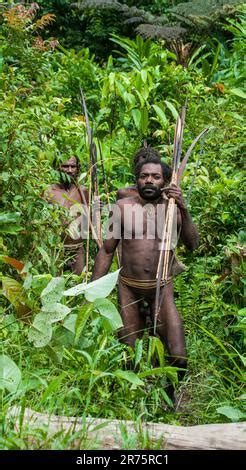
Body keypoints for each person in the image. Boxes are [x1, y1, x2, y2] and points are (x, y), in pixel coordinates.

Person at [92, 150, 199, 399]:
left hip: (161, 287)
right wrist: (93, 289)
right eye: (143, 176)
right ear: (137, 180)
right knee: (129, 351)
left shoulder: (172, 210)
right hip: (129, 287)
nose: (149, 181)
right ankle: (135, 399)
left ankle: (169, 396)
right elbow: (108, 250)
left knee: (178, 354)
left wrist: (184, 208)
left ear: (165, 182)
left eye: (155, 177)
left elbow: (193, 245)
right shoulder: (121, 207)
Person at [45, 156, 88, 275]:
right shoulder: (48, 191)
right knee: (54, 285)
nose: (69, 170)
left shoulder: (83, 191)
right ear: (57, 168)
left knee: (78, 286)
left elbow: (89, 222)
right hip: (55, 249)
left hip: (77, 248)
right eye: (65, 166)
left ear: (78, 169)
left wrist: (96, 209)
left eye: (72, 166)